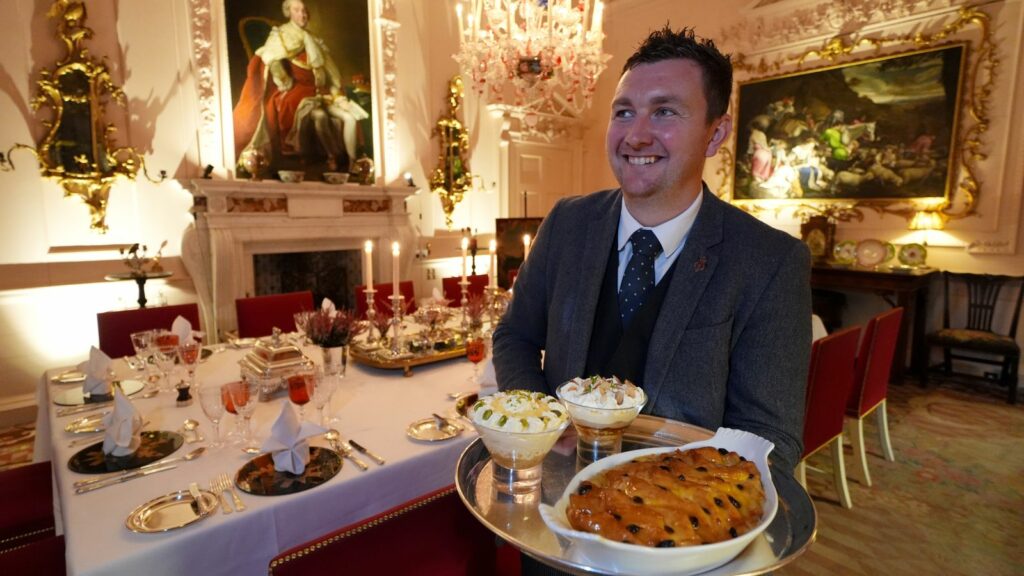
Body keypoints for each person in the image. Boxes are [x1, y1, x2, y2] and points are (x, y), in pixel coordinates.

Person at [492, 26, 811, 475]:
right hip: (553, 504)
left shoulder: (770, 261)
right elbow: (515, 337)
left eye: (664, 112)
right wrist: (542, 422)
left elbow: (768, 435)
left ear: (715, 135)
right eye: (624, 112)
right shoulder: (567, 222)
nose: (636, 135)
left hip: (679, 528)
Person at [233, 0, 368, 173]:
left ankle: (350, 162)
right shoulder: (280, 34)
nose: (302, 15)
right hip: (296, 91)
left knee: (347, 117)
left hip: (320, 92)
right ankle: (325, 157)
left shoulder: (314, 39)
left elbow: (331, 73)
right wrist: (282, 78)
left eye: (304, 11)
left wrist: (338, 94)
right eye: (297, 10)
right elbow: (270, 58)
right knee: (318, 116)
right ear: (288, 12)